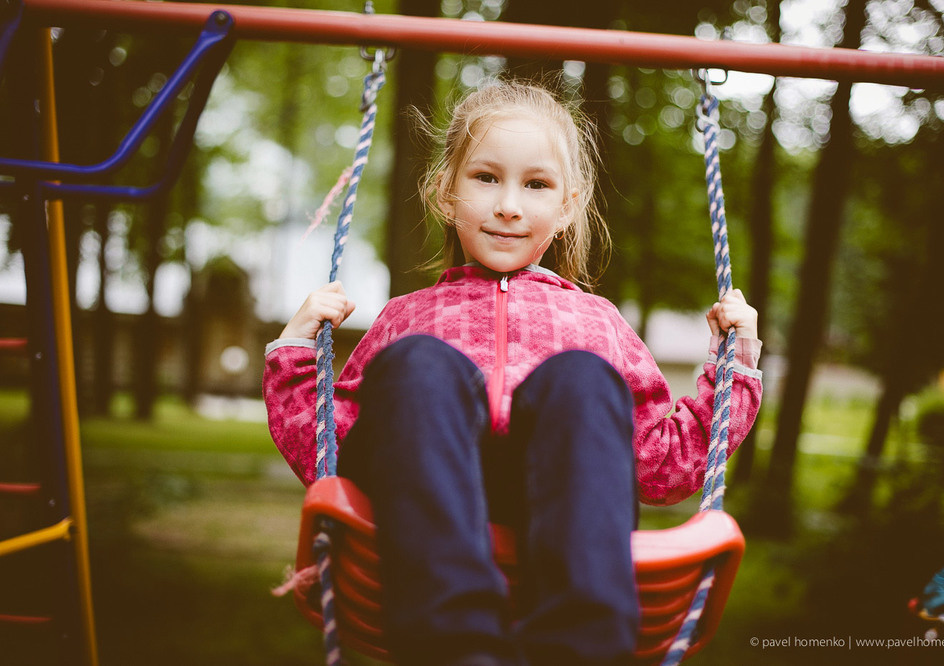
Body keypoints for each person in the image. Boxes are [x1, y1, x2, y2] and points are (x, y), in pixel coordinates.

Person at [264, 80, 763, 666]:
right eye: (485, 178)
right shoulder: (404, 318)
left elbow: (665, 465)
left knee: (581, 376)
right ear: (445, 192)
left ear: (567, 204)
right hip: (425, 508)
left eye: (536, 185)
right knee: (418, 364)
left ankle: (581, 643)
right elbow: (330, 448)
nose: (509, 204)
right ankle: (459, 647)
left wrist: (736, 362)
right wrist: (297, 346)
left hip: (557, 503)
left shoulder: (600, 323)